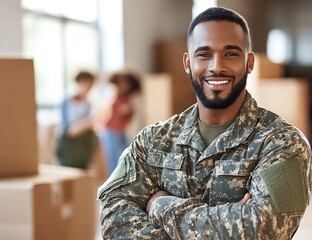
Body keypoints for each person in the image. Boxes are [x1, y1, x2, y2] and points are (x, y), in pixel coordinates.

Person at [97, 7, 311, 239]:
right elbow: (113, 218)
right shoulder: (151, 141)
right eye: (204, 54)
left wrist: (161, 205)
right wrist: (233, 221)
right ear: (188, 62)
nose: (216, 66)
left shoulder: (284, 143)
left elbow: (265, 230)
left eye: (231, 54)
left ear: (249, 62)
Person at [98, 69, 141, 175]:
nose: (124, 85)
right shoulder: (112, 96)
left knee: (126, 156)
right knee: (113, 160)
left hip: (121, 132)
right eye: (121, 83)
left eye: (126, 83)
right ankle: (113, 183)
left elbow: (131, 116)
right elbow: (105, 115)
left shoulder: (127, 99)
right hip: (110, 131)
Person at [55, 71, 97, 169]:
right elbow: (68, 129)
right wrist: (86, 123)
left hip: (84, 142)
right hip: (68, 142)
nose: (87, 88)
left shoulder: (88, 105)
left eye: (90, 85)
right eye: (85, 84)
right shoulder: (66, 101)